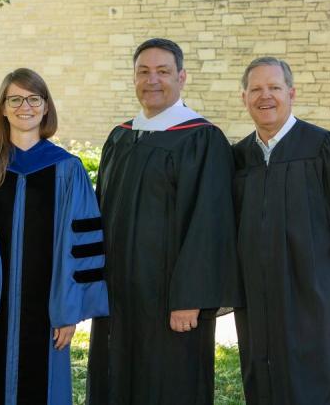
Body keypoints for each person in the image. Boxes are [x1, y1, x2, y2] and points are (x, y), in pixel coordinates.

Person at [86, 38, 241, 405]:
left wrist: (190, 298)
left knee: (169, 385)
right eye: (143, 72)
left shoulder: (203, 139)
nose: (152, 80)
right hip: (118, 297)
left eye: (163, 71)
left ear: (182, 77)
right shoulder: (120, 137)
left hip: (171, 302)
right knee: (114, 379)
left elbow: (210, 225)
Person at [0, 68, 108, 405]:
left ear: (46, 107)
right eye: (16, 99)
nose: (26, 106)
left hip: (48, 309)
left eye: (34, 98)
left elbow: (78, 246)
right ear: (3, 108)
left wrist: (68, 311)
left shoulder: (68, 169)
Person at [232, 57, 330, 405]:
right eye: (256, 89)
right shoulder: (237, 158)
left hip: (312, 293)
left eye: (274, 88)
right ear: (244, 98)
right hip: (257, 298)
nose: (265, 96)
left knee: (315, 377)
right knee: (262, 375)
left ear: (291, 93)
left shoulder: (324, 148)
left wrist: (323, 271)